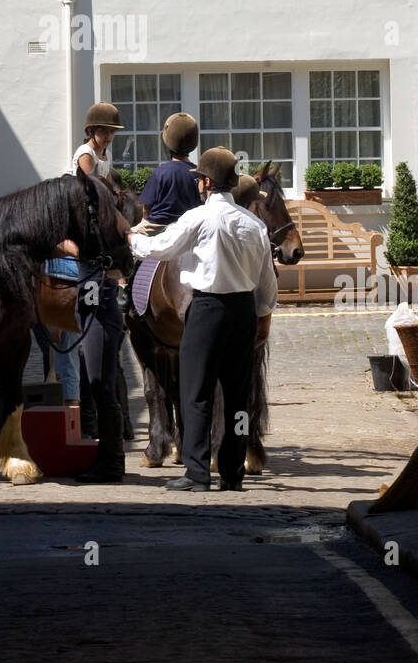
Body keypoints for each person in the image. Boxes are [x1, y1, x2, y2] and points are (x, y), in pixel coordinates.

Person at [127, 147, 277, 492]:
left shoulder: (197, 219)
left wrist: (133, 239)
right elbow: (267, 282)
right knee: (238, 397)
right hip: (243, 312)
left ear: (206, 182)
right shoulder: (254, 225)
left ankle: (197, 471)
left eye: (200, 180)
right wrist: (264, 317)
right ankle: (232, 470)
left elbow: (161, 248)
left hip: (207, 309)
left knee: (196, 392)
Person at [67, 102, 129, 483]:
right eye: (103, 131)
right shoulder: (86, 155)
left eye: (111, 132)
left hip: (96, 267)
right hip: (90, 218)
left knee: (100, 380)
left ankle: (110, 460)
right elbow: (95, 189)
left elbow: (113, 189)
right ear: (92, 131)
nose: (107, 137)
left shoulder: (104, 155)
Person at [132, 112, 202, 235]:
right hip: (189, 231)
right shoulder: (199, 174)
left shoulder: (161, 172)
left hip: (159, 228)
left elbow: (146, 210)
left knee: (127, 235)